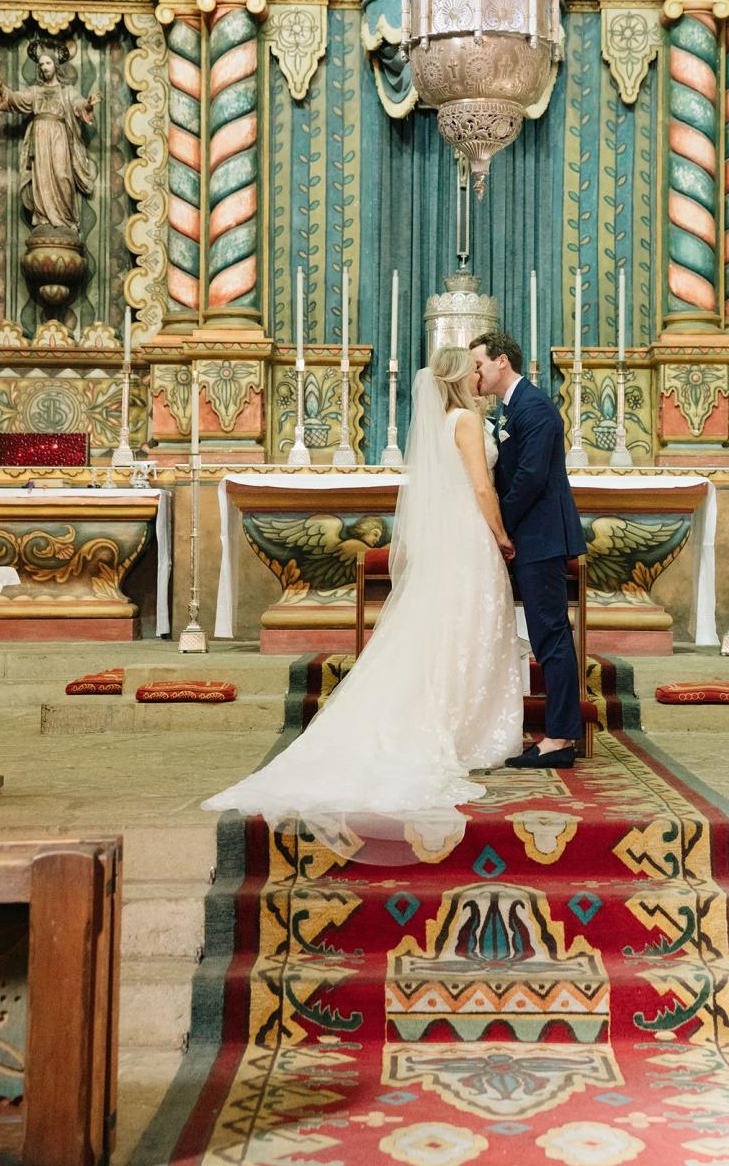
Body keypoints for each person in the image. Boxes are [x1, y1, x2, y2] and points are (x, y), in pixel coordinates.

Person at [202, 345, 524, 837]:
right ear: (462, 378)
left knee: (447, 629)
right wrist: (501, 535)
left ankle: (456, 721)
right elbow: (483, 489)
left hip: (448, 540)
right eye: (475, 368)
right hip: (471, 538)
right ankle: (466, 730)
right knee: (469, 628)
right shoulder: (465, 422)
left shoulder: (440, 423)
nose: (481, 374)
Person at [471, 331, 586, 769]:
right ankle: (556, 734)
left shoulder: (534, 408)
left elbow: (531, 478)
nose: (476, 373)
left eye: (479, 364)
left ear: (501, 361)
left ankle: (559, 739)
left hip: (541, 537)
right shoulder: (510, 408)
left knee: (551, 635)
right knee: (544, 634)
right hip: (531, 536)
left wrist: (500, 526)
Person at [0, 40, 100, 234]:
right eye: (41, 64)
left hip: (59, 135)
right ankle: (43, 218)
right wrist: (1, 88)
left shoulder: (66, 92)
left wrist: (88, 104)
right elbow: (16, 99)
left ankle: (66, 220)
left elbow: (78, 104)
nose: (44, 67)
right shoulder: (35, 92)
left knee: (62, 175)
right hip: (40, 138)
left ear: (55, 65)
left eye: (48, 63)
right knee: (41, 178)